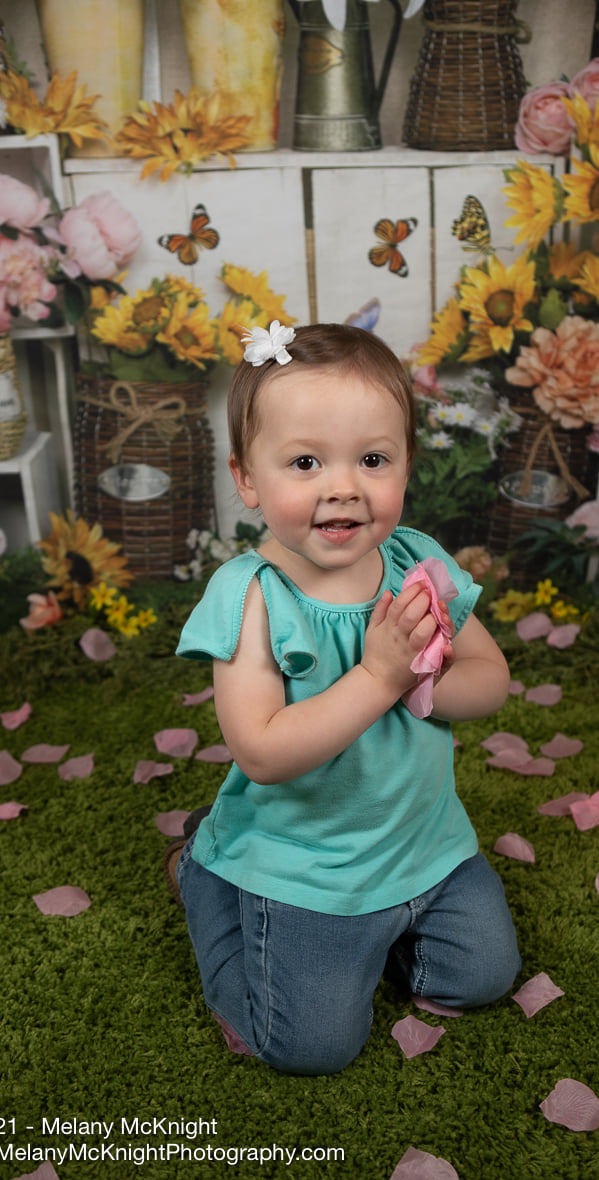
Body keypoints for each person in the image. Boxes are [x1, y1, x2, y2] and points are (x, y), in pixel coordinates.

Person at [166, 320, 521, 1075]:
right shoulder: (253, 596)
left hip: (425, 845)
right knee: (310, 1047)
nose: (343, 487)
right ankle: (207, 873)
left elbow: (492, 679)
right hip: (306, 865)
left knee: (481, 977)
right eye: (304, 461)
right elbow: (261, 752)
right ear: (247, 479)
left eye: (372, 459)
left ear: (405, 466)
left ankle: (388, 931)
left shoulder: (415, 561)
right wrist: (379, 677)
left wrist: (424, 676)